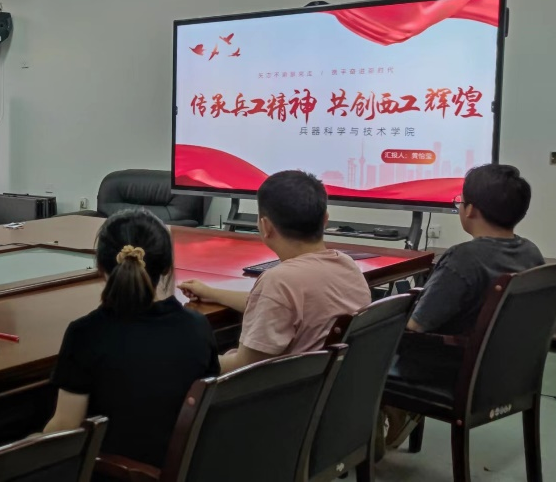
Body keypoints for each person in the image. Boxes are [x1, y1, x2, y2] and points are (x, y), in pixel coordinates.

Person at [43, 210, 219, 467]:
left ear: (101, 267)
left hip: (114, 472)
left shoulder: (86, 333)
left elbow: (65, 430)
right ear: (167, 267)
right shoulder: (198, 327)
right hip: (183, 468)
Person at [384, 164, 544, 447]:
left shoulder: (464, 259)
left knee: (363, 346)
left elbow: (416, 325)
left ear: (471, 210)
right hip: (508, 371)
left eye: (460, 201)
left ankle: (369, 431)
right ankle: (396, 414)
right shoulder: (531, 252)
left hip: (451, 370)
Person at [179, 170, 370, 373]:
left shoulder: (279, 282)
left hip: (277, 390)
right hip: (329, 385)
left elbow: (243, 369)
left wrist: (185, 360)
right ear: (325, 220)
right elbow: (270, 303)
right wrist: (210, 293)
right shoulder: (347, 266)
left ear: (265, 226)